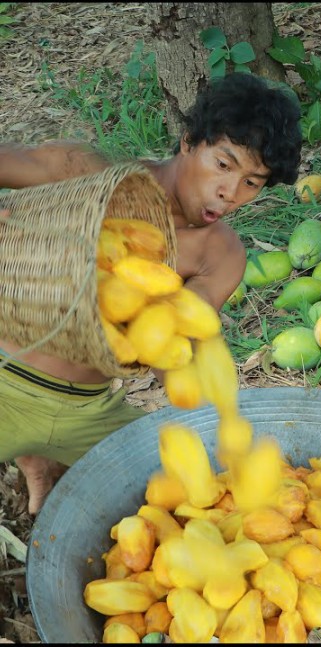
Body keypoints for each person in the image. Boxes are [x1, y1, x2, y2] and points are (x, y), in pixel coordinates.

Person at [0, 72, 303, 515]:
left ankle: (45, 456)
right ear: (187, 142)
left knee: (196, 499)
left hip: (90, 409)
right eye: (224, 164)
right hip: (8, 380)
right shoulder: (85, 174)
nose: (230, 192)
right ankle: (34, 453)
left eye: (252, 182)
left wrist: (225, 425)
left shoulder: (220, 255)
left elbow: (177, 351)